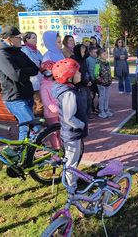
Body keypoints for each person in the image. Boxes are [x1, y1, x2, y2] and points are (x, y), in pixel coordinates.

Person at [0, 26, 39, 140]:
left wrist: (22, 69)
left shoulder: (19, 52)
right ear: (9, 39)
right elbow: (16, 75)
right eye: (19, 37)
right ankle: (31, 153)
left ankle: (22, 155)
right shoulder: (2, 55)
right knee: (34, 127)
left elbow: (34, 69)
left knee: (25, 129)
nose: (21, 39)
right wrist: (24, 70)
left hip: (27, 94)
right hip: (15, 98)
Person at [52, 58, 88, 192]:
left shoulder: (68, 89)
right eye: (77, 73)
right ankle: (71, 187)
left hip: (70, 132)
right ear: (69, 77)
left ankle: (72, 179)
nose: (80, 74)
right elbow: (69, 117)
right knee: (72, 161)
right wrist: (81, 125)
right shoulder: (69, 94)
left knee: (71, 158)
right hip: (72, 132)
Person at [21, 31, 44, 117]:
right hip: (33, 81)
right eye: (33, 38)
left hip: (40, 79)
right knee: (39, 103)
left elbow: (42, 61)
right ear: (27, 39)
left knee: (37, 103)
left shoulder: (36, 50)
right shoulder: (25, 50)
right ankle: (38, 122)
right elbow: (31, 64)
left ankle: (35, 121)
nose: (36, 40)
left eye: (36, 37)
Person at [39, 60, 60, 149]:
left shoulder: (57, 83)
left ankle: (62, 147)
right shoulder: (44, 86)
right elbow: (46, 101)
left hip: (60, 111)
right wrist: (55, 109)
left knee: (61, 131)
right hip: (51, 114)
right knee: (53, 133)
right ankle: (56, 148)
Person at [71, 44, 92, 119]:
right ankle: (83, 116)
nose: (83, 53)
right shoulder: (74, 60)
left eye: (84, 52)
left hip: (86, 82)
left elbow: (86, 71)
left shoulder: (83, 59)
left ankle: (87, 115)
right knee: (83, 101)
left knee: (89, 99)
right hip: (79, 84)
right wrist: (86, 82)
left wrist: (89, 80)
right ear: (78, 52)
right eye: (82, 52)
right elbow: (78, 73)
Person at [94, 48, 113, 119]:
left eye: (106, 54)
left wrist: (110, 78)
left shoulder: (107, 62)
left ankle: (106, 109)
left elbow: (109, 71)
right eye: (104, 54)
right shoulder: (98, 63)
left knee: (107, 97)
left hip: (108, 83)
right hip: (101, 84)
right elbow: (96, 74)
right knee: (102, 97)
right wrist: (101, 80)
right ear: (99, 55)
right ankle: (101, 111)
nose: (106, 55)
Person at [86, 46, 100, 113]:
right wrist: (89, 78)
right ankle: (92, 108)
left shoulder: (98, 59)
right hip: (92, 81)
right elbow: (87, 70)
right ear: (90, 53)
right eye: (95, 52)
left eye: (97, 52)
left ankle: (99, 107)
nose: (96, 53)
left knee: (101, 94)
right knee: (92, 95)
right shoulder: (88, 60)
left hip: (98, 80)